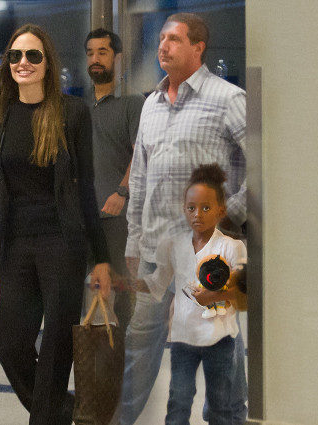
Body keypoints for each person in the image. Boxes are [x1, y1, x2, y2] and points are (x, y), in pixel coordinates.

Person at [0, 24, 113, 425]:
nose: (23, 63)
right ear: (7, 64)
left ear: (48, 64)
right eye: (15, 56)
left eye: (33, 56)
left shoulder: (72, 113)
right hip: (13, 244)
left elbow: (85, 190)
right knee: (12, 346)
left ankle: (45, 419)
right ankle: (61, 413)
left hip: (63, 244)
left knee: (55, 345)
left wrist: (100, 257)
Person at [121, 13, 248, 425]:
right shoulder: (151, 105)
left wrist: (232, 217)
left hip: (209, 258)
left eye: (174, 39)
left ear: (199, 47)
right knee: (137, 352)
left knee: (221, 351)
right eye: (160, 38)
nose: (163, 46)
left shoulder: (228, 98)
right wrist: (132, 242)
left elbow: (262, 166)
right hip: (157, 255)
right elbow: (139, 177)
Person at [130, 163, 246, 425]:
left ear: (221, 211)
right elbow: (159, 283)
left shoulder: (232, 247)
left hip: (220, 340)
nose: (197, 215)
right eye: (191, 208)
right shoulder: (174, 246)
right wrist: (132, 284)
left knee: (220, 405)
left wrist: (213, 296)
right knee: (178, 402)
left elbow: (240, 293)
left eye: (206, 208)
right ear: (184, 210)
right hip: (184, 341)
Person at [83, 28, 145, 332]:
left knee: (119, 292)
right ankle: (94, 367)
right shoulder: (78, 107)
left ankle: (122, 363)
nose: (96, 59)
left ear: (117, 58)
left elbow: (141, 154)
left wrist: (122, 191)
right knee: (88, 293)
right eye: (91, 53)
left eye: (103, 52)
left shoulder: (132, 103)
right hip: (83, 217)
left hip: (117, 217)